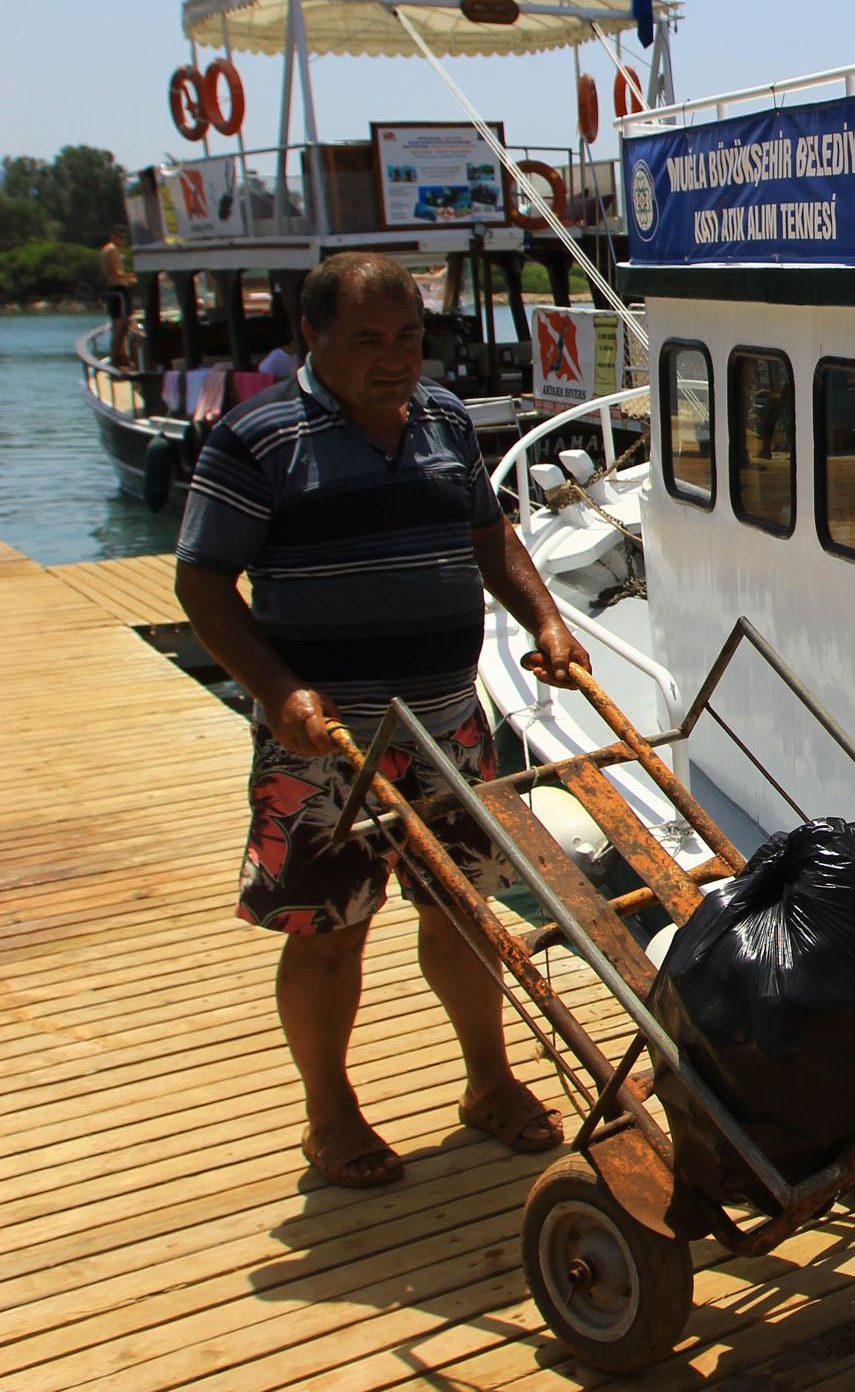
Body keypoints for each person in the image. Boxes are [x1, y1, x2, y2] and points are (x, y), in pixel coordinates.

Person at [174, 251, 591, 1191]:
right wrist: (278, 691)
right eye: (367, 339)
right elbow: (200, 581)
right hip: (326, 742)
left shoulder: (444, 418)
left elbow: (488, 534)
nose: (395, 358)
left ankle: (488, 1082)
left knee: (466, 911)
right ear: (310, 338)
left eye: (407, 336)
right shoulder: (257, 438)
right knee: (329, 930)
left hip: (447, 721)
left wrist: (548, 619)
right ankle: (331, 1116)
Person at [100, 230, 139, 366]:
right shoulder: (112, 250)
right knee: (121, 325)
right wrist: (136, 276)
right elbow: (116, 273)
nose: (123, 240)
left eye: (124, 237)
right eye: (120, 237)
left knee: (119, 325)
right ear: (113, 236)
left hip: (113, 289)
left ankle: (122, 357)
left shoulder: (106, 250)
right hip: (118, 290)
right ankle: (116, 359)